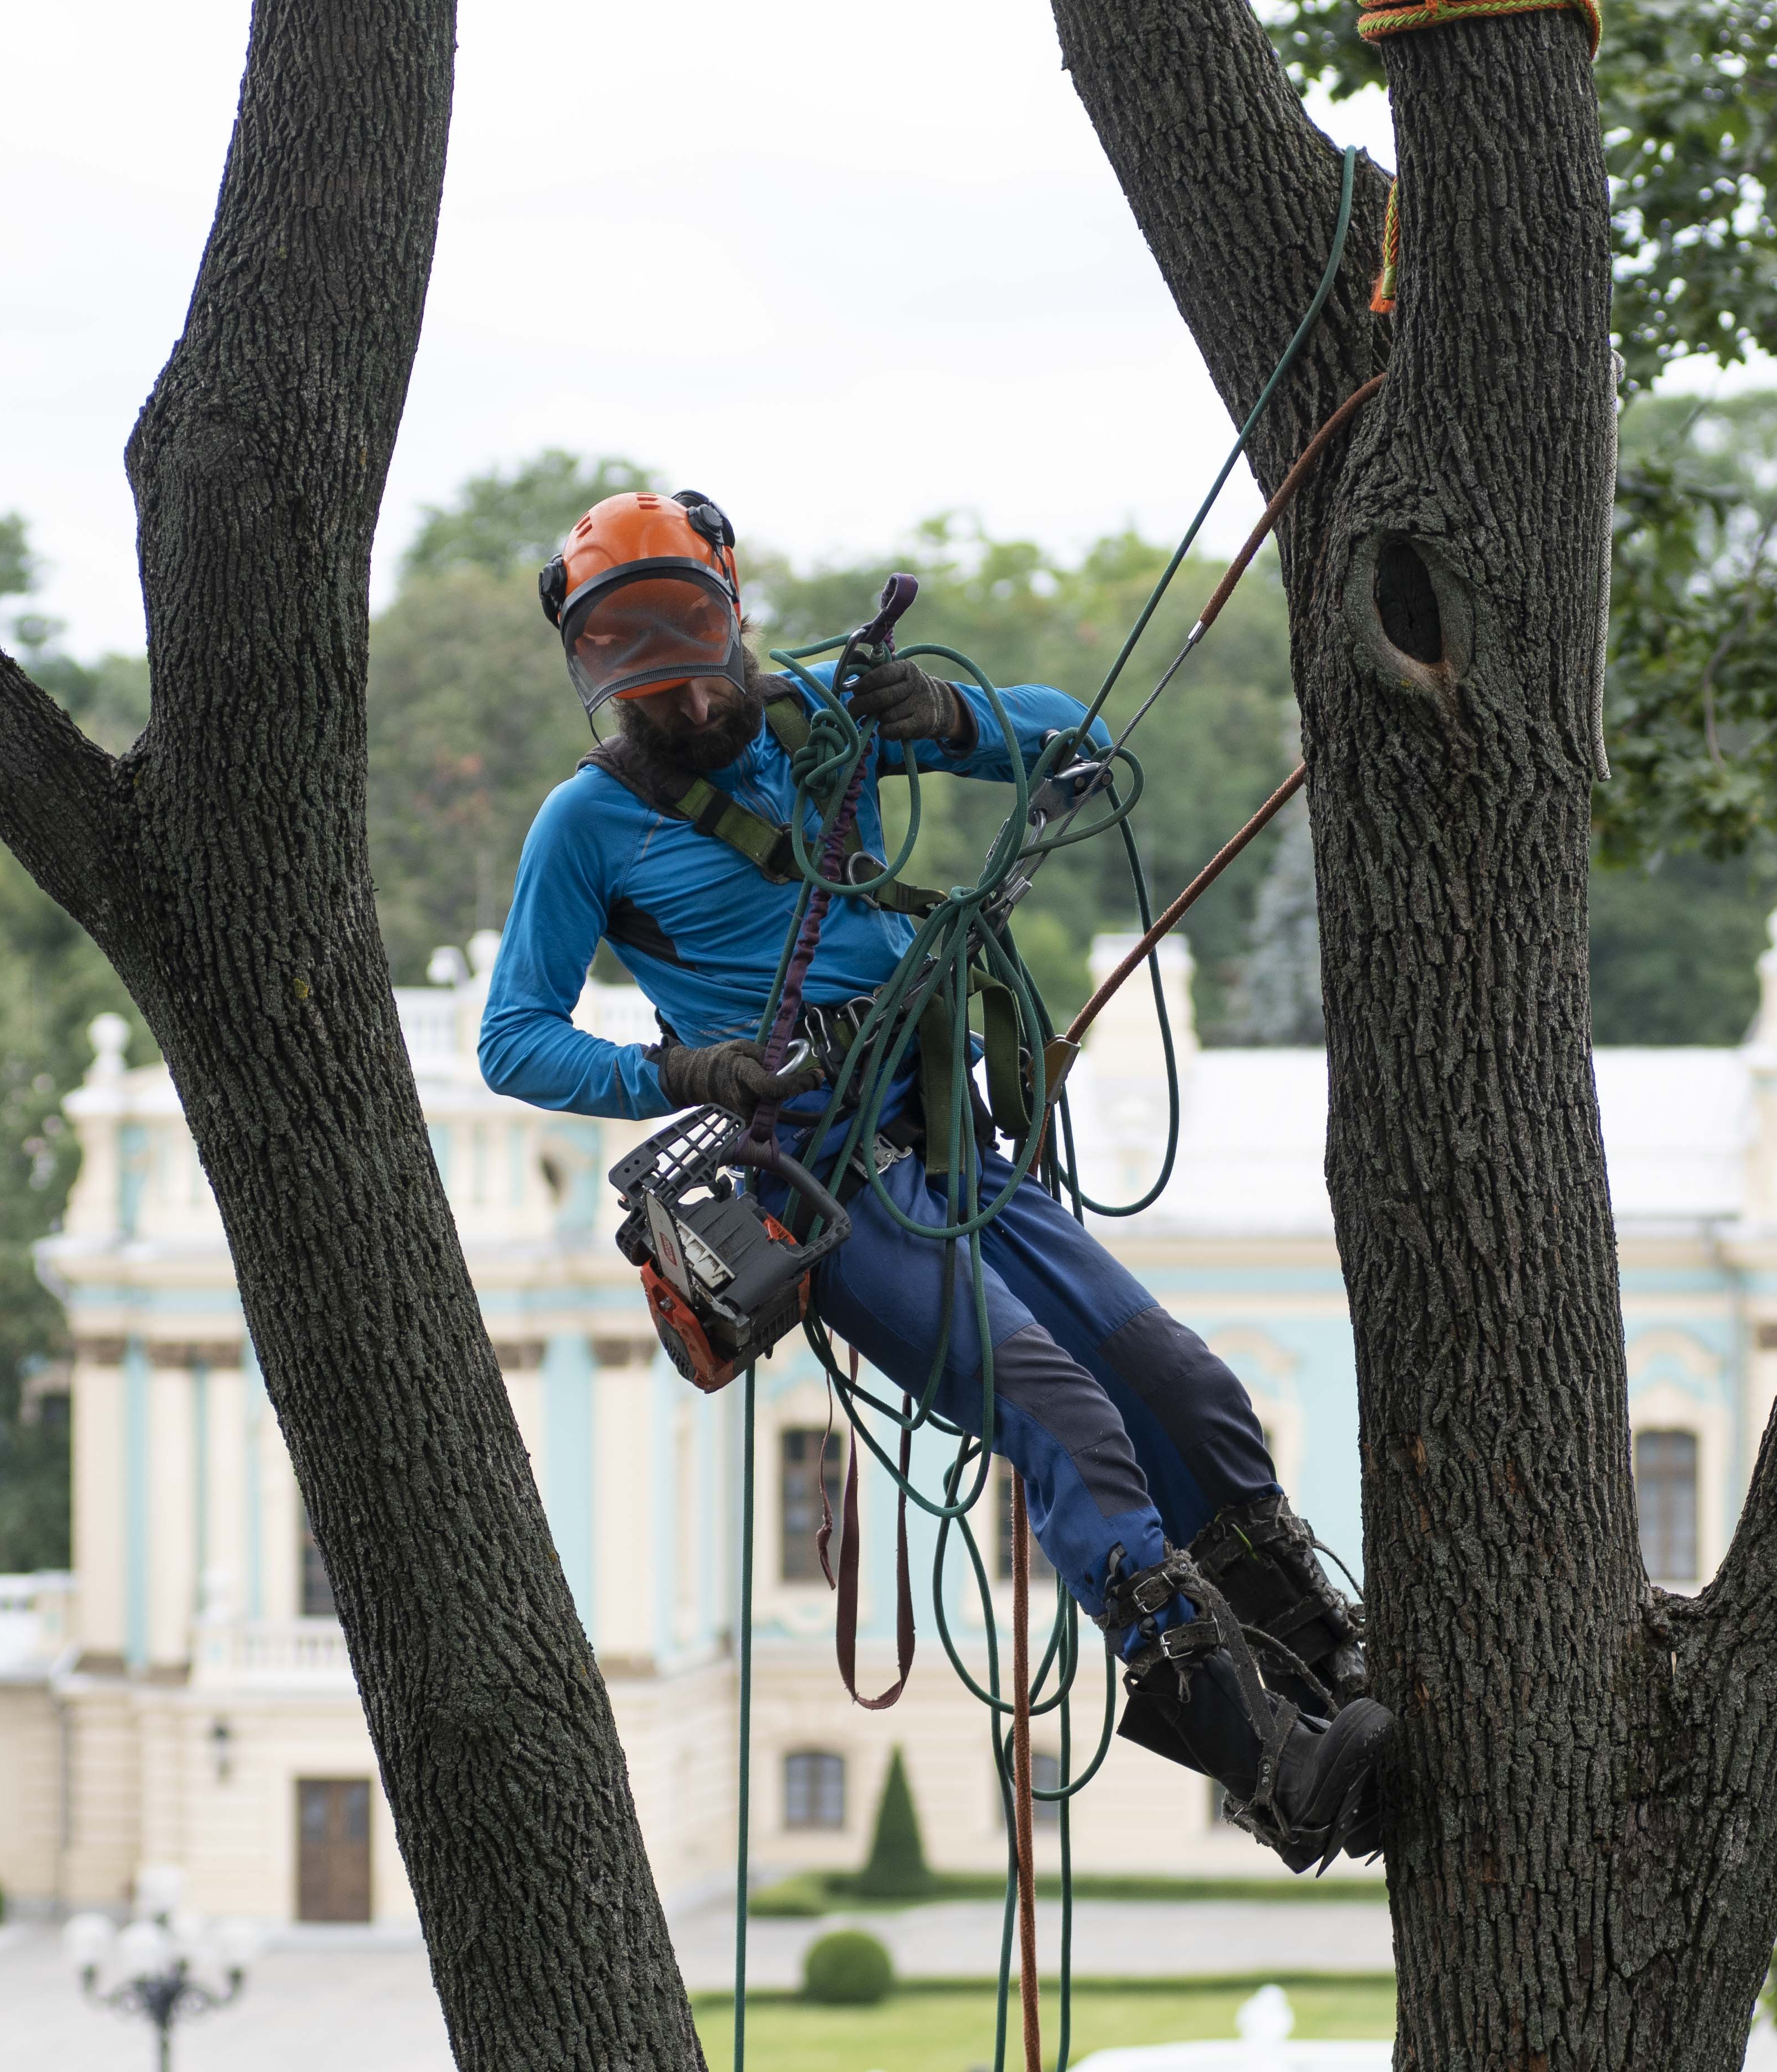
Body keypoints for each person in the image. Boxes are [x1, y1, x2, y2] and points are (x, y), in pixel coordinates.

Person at [477, 490, 1388, 1870]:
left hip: (949, 1143)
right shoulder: (588, 825)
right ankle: (1266, 1764)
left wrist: (954, 722)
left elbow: (1085, 762)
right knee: (1061, 1409)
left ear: (735, 617)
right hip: (816, 1187)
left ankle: (1328, 1669)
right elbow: (513, 1036)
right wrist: (689, 1071)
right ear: (598, 675)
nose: (679, 698)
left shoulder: (834, 727)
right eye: (639, 676)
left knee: (1185, 1385)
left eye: (694, 649)